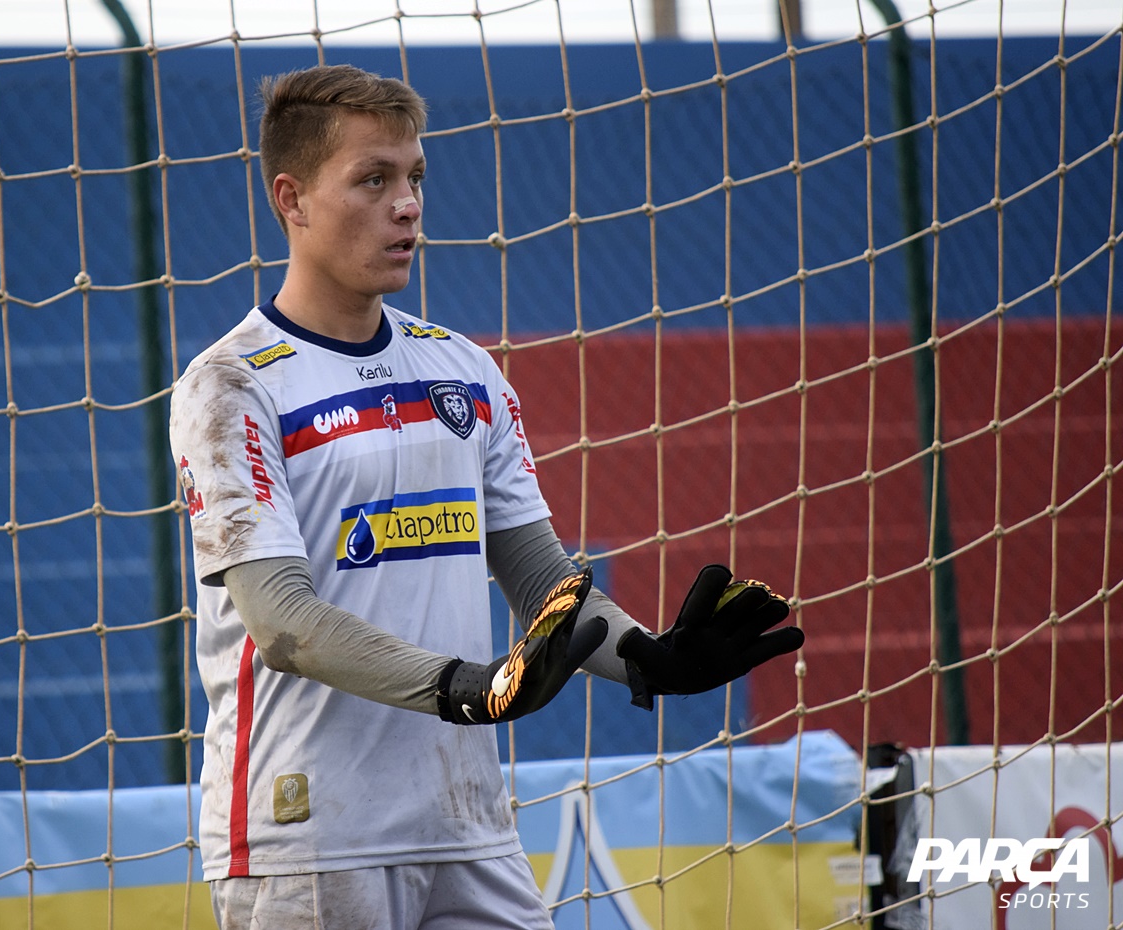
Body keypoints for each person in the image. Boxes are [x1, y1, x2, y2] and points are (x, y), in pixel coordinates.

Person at [168, 63, 805, 930]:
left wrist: (650, 660)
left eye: (415, 177)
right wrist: (471, 686)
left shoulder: (463, 367)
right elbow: (281, 622)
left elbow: (541, 576)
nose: (407, 204)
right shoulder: (230, 384)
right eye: (373, 179)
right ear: (293, 199)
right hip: (309, 837)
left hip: (468, 823)